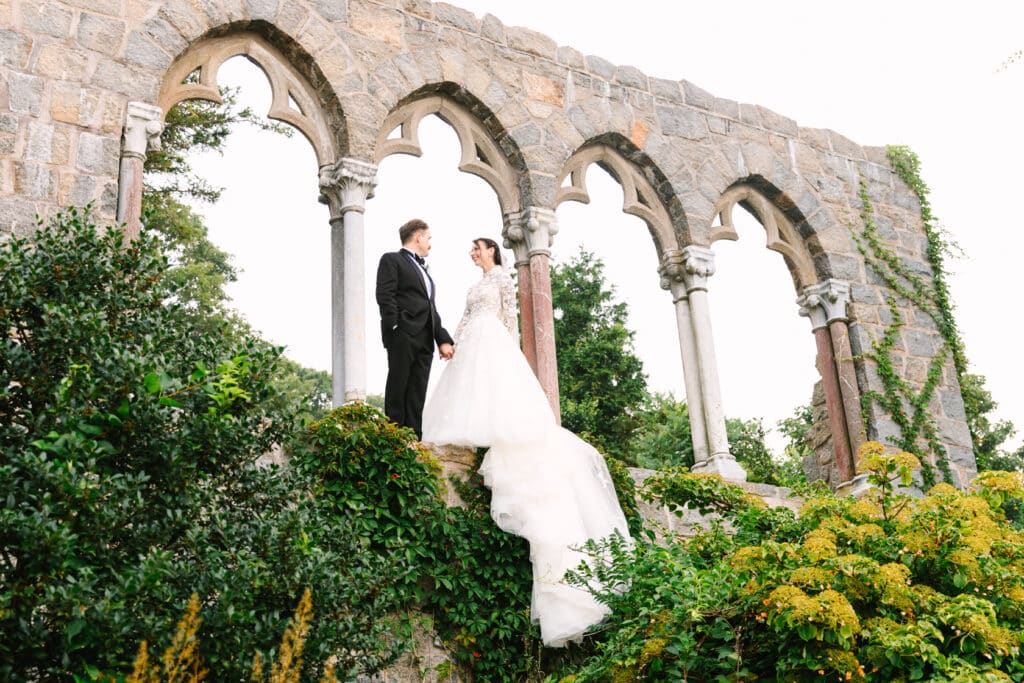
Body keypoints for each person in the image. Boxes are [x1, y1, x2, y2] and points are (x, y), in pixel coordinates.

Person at [422, 237, 631, 648]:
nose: (473, 254)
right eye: (471, 251)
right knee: (463, 392)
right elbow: (465, 318)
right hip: (472, 345)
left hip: (495, 344)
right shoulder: (472, 287)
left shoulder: (501, 278)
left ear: (492, 251)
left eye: (477, 249)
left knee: (497, 395)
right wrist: (452, 345)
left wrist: (508, 350)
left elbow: (510, 318)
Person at [375, 219, 455, 439]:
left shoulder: (425, 271)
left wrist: (443, 339)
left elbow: (431, 308)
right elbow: (385, 295)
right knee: (398, 385)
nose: (430, 243)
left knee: (417, 391)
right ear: (418, 237)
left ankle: (413, 440)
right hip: (403, 333)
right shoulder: (391, 260)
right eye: (429, 238)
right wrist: (395, 325)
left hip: (425, 337)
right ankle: (393, 439)